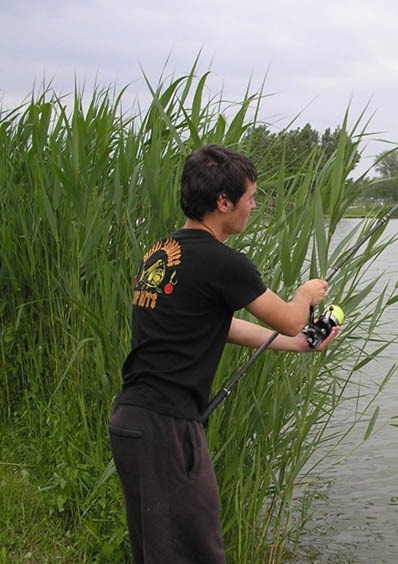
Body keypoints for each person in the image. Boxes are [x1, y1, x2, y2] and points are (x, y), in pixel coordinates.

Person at [109, 144, 339, 563]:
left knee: (158, 552)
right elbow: (289, 317)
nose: (253, 206)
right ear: (223, 202)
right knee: (198, 552)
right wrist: (305, 294)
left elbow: (216, 324)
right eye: (250, 197)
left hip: (133, 420)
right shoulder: (222, 261)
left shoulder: (160, 253)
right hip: (167, 429)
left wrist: (297, 345)